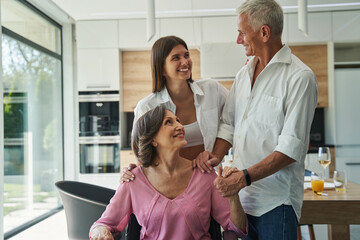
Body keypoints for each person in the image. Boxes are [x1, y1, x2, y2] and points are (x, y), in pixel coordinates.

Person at [194, 0, 318, 239]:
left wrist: (244, 177)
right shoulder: (243, 74)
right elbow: (229, 124)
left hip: (276, 202)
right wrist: (215, 156)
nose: (238, 40)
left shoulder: (300, 77)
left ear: (264, 32)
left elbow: (291, 149)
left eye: (242, 33)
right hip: (242, 201)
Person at [89, 105, 248, 240]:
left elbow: (237, 229)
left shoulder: (204, 175)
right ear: (152, 139)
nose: (180, 126)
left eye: (178, 121)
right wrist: (100, 232)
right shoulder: (133, 180)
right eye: (168, 122)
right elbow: (102, 224)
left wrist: (233, 196)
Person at [122, 35, 228, 180]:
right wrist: (132, 173)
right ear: (162, 68)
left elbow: (233, 120)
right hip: (169, 183)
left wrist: (216, 154)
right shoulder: (147, 106)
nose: (185, 61)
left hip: (207, 178)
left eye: (186, 55)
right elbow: (141, 154)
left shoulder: (212, 89)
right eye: (176, 58)